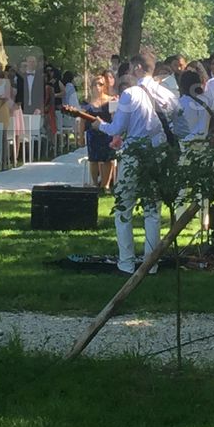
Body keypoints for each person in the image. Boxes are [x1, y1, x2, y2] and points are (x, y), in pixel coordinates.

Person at [91, 52, 179, 275]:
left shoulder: (130, 94)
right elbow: (177, 120)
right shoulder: (167, 93)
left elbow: (117, 128)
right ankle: (151, 264)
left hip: (134, 154)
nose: (129, 72)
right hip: (157, 153)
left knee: (124, 208)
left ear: (138, 67)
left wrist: (100, 125)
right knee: (153, 210)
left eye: (131, 67)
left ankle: (126, 263)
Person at [82, 71, 117, 190]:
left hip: (107, 133)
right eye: (95, 84)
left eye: (101, 84)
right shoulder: (87, 102)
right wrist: (80, 136)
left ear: (104, 86)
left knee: (108, 159)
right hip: (92, 134)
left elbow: (115, 117)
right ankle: (94, 183)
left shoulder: (111, 100)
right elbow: (82, 120)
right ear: (91, 86)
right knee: (93, 159)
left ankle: (105, 185)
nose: (98, 87)